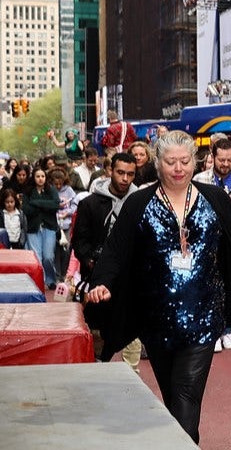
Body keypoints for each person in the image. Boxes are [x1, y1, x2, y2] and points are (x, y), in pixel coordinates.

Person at [85, 130, 231, 444]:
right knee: (174, 399)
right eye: (171, 161)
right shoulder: (139, 202)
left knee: (186, 398)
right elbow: (115, 249)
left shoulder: (214, 199)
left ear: (197, 161)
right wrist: (101, 282)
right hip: (155, 319)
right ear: (157, 163)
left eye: (185, 161)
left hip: (203, 315)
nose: (178, 168)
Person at [72, 152, 140, 365]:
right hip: (97, 280)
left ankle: (133, 376)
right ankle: (98, 366)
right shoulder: (90, 204)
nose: (125, 179)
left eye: (130, 174)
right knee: (98, 335)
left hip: (130, 279)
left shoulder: (140, 203)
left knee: (132, 328)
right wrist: (90, 260)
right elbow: (79, 241)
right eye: (120, 172)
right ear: (110, 171)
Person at [193, 138, 231, 353]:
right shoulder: (200, 179)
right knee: (208, 287)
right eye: (221, 160)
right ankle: (212, 330)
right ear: (213, 156)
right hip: (208, 243)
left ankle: (227, 330)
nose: (226, 164)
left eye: (230, 160)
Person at [23, 168, 60, 288]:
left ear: (45, 177)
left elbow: (55, 205)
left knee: (48, 256)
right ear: (33, 178)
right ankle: (40, 282)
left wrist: (36, 202)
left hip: (49, 227)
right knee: (36, 257)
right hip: (33, 228)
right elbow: (26, 210)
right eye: (37, 176)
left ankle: (51, 279)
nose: (40, 179)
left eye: (42, 176)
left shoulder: (51, 190)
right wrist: (45, 205)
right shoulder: (28, 192)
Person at [49, 168, 78, 280]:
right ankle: (57, 274)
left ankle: (64, 273)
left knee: (66, 250)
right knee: (56, 250)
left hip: (66, 225)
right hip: (54, 225)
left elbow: (75, 204)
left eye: (60, 184)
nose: (58, 186)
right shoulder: (51, 191)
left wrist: (68, 213)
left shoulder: (69, 190)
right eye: (55, 184)